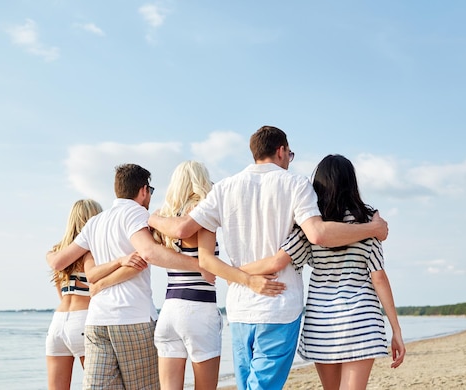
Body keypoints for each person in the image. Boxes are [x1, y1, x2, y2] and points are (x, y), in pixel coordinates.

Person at [148, 126, 389, 390]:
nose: (289, 160)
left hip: (239, 309)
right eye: (290, 154)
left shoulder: (225, 187)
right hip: (279, 307)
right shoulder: (296, 184)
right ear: (281, 150)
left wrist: (151, 218)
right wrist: (372, 229)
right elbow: (318, 234)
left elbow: (191, 241)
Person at [46, 163, 221, 389]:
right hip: (133, 318)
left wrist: (51, 254)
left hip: (96, 323)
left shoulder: (95, 222)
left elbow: (59, 261)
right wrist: (200, 265)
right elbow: (149, 253)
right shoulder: (137, 213)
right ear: (143, 190)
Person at [244, 154, 405, 390]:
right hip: (361, 320)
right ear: (352, 182)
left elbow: (278, 262)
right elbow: (378, 276)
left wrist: (236, 272)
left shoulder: (309, 224)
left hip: (322, 323)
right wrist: (396, 329)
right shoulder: (369, 220)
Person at [152, 161, 223, 390]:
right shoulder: (202, 211)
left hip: (169, 310)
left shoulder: (164, 218)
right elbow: (207, 260)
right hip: (198, 309)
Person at [45, 199, 102, 390]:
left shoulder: (58, 252)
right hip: (84, 320)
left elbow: (60, 292)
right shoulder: (94, 250)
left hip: (58, 323)